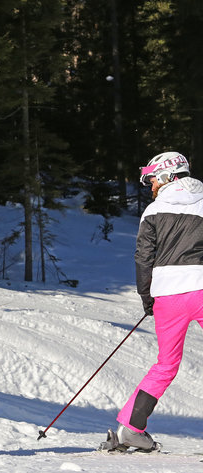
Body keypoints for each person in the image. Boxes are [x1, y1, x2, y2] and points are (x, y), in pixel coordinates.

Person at [102, 151, 203, 453]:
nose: (151, 187)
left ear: (168, 176)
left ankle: (131, 429)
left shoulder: (153, 211)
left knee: (165, 364)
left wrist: (148, 297)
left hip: (167, 295)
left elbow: (143, 259)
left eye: (152, 180)